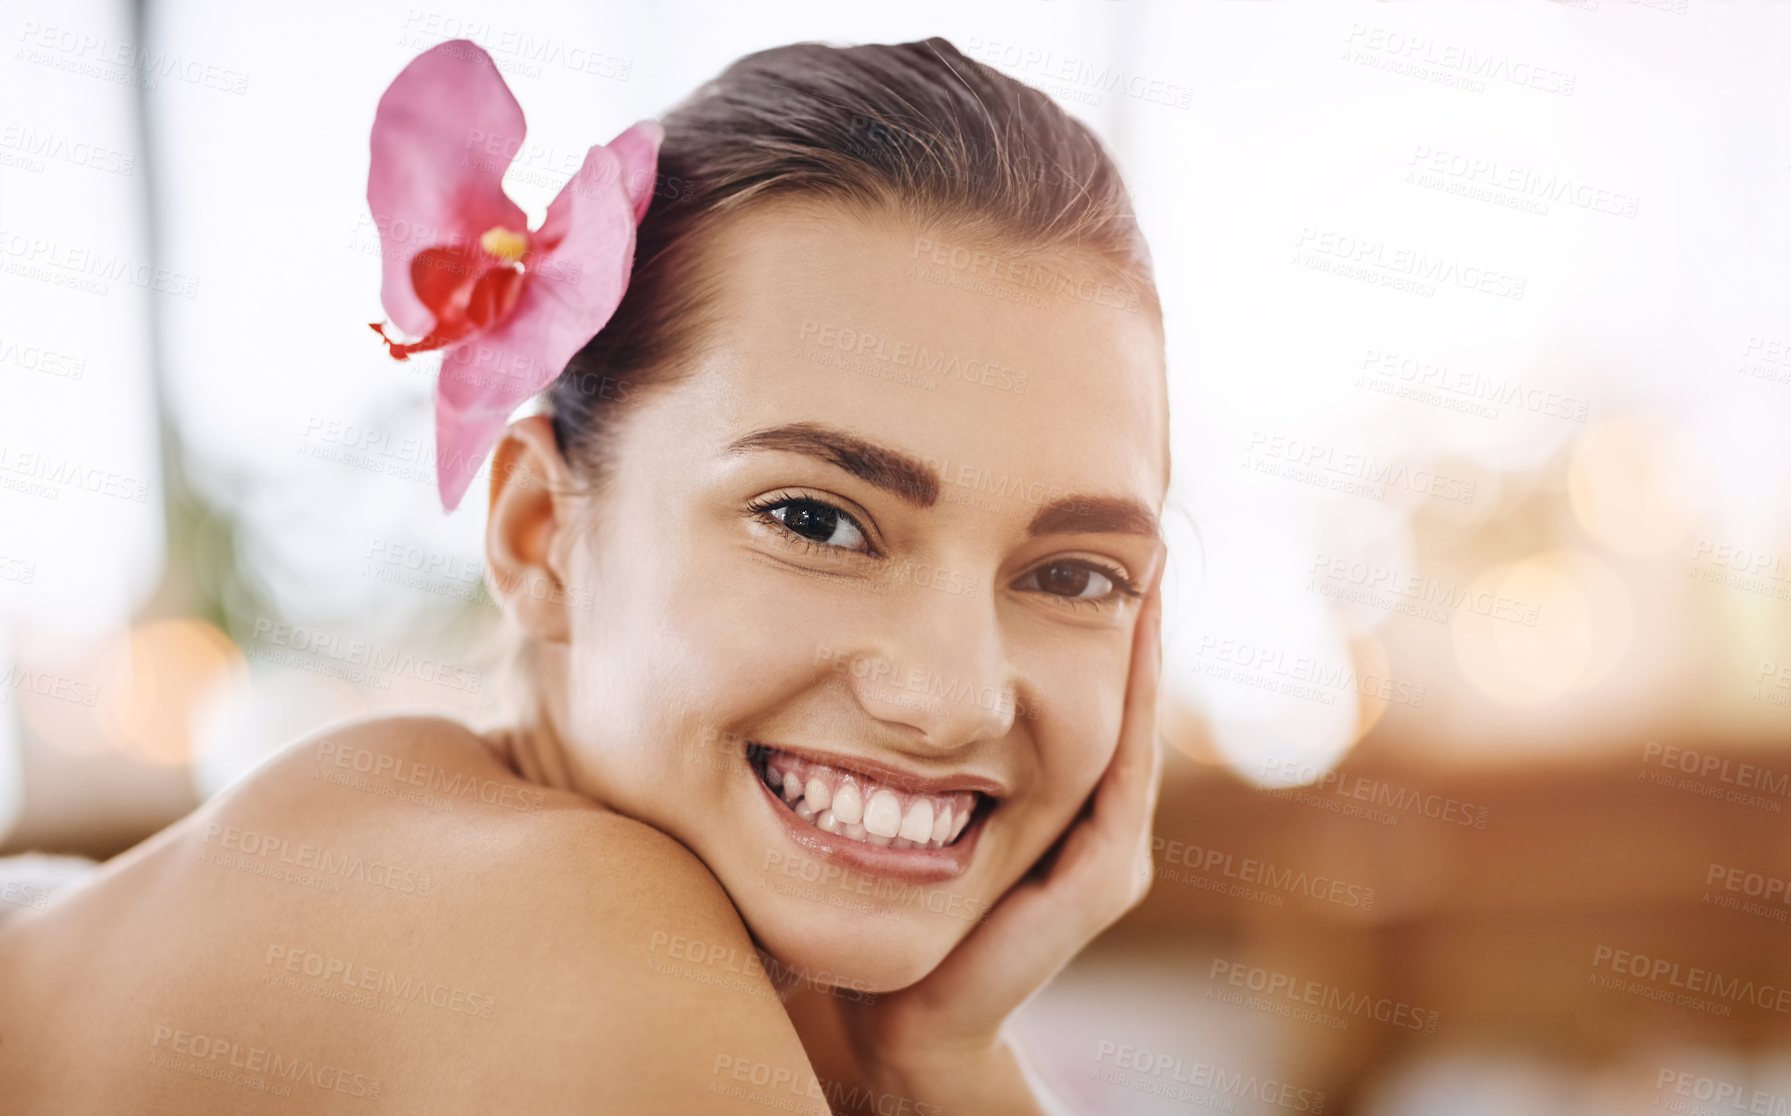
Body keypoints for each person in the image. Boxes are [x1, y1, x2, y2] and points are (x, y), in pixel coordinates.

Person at [0, 35, 1170, 1114]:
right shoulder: (568, 937)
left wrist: (943, 1053)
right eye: (816, 519)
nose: (956, 695)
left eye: (1073, 576)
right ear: (536, 535)